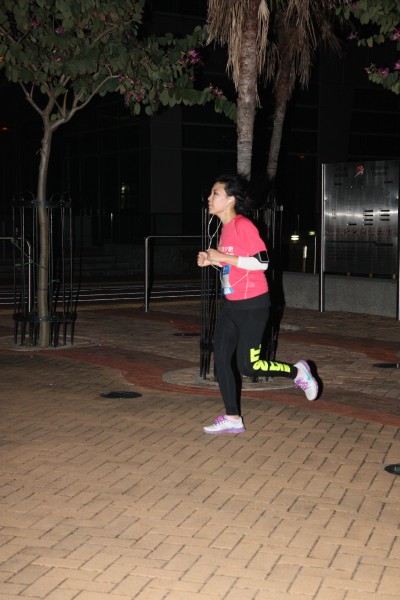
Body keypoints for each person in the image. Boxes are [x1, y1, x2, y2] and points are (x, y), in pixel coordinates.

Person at [197, 173, 319, 434]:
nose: (209, 198)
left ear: (230, 199)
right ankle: (232, 417)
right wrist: (213, 260)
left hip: (253, 305)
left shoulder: (243, 225)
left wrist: (223, 258)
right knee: (222, 360)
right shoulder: (225, 229)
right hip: (232, 304)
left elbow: (261, 262)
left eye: (215, 194)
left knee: (249, 366)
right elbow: (235, 265)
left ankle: (298, 372)